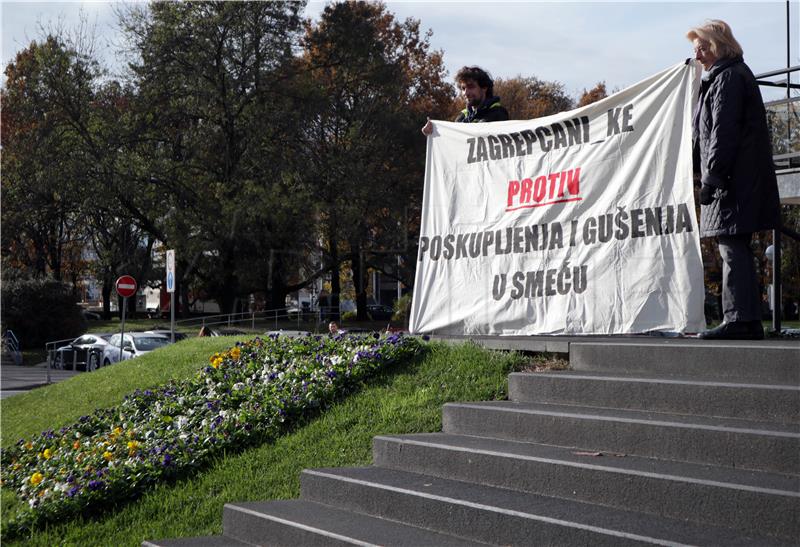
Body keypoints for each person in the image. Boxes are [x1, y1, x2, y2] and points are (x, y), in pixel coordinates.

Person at [688, 20, 780, 340]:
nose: (697, 55)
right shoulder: (729, 76)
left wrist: (711, 179)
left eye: (701, 47)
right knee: (734, 246)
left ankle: (739, 319)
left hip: (732, 182)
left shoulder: (728, 78)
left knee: (731, 247)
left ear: (716, 44)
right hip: (737, 179)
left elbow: (722, 134)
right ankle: (747, 320)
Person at [421, 66, 509, 136]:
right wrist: (433, 133)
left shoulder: (499, 113)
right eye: (463, 88)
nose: (465, 93)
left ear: (484, 88)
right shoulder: (461, 117)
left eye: (471, 87)